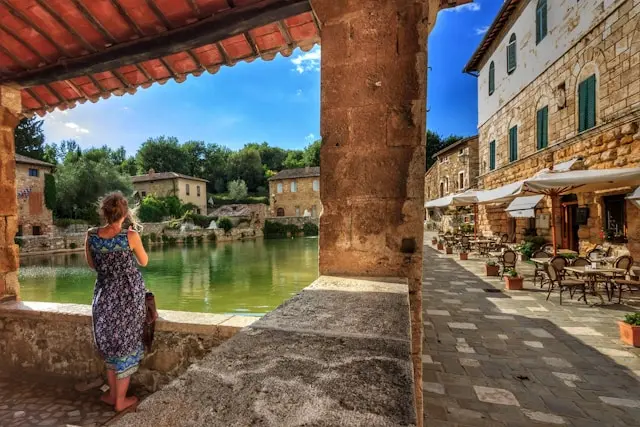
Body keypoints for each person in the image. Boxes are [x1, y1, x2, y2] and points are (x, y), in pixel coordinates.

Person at [85, 192, 149, 412]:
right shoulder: (129, 236)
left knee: (111, 346)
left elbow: (92, 264)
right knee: (126, 345)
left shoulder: (91, 236)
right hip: (128, 297)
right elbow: (144, 261)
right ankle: (121, 402)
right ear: (125, 213)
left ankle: (113, 396)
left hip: (104, 296)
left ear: (104, 212)